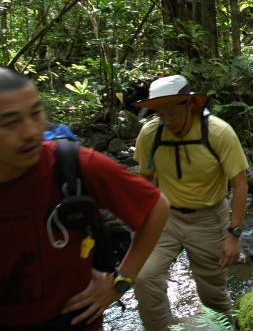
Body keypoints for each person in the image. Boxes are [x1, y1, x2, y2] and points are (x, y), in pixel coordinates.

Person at [0, 67, 170, 330]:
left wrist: (122, 280)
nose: (30, 131)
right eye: (11, 123)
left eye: (36, 114)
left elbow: (155, 206)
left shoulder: (74, 165)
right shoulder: (150, 132)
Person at [132, 75, 249, 330]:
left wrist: (234, 235)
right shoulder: (151, 134)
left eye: (173, 112)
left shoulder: (218, 132)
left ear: (190, 105)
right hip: (166, 218)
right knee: (144, 277)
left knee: (213, 298)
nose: (167, 120)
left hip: (208, 219)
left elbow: (239, 184)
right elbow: (146, 180)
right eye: (160, 114)